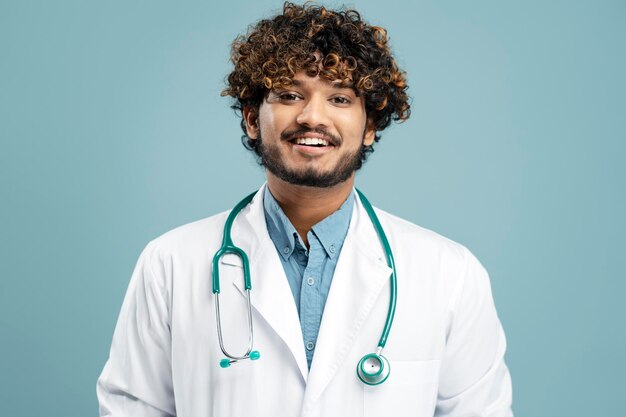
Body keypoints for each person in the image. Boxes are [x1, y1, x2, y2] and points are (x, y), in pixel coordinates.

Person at [97, 2, 513, 416]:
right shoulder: (170, 263)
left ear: (369, 126)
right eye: (290, 95)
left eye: (340, 98)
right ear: (251, 119)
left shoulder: (450, 274)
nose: (313, 117)